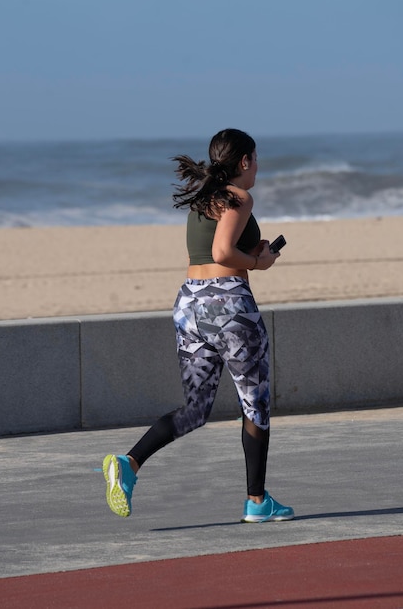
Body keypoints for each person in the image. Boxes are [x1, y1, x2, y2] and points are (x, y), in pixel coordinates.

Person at [103, 128, 294, 523]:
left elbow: (212, 251)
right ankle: (257, 502)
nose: (258, 166)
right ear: (243, 161)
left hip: (190, 304)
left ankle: (129, 463)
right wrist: (260, 262)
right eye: (255, 158)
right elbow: (223, 252)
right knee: (254, 403)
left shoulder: (203, 198)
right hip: (229, 307)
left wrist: (249, 252)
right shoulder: (240, 197)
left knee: (195, 410)